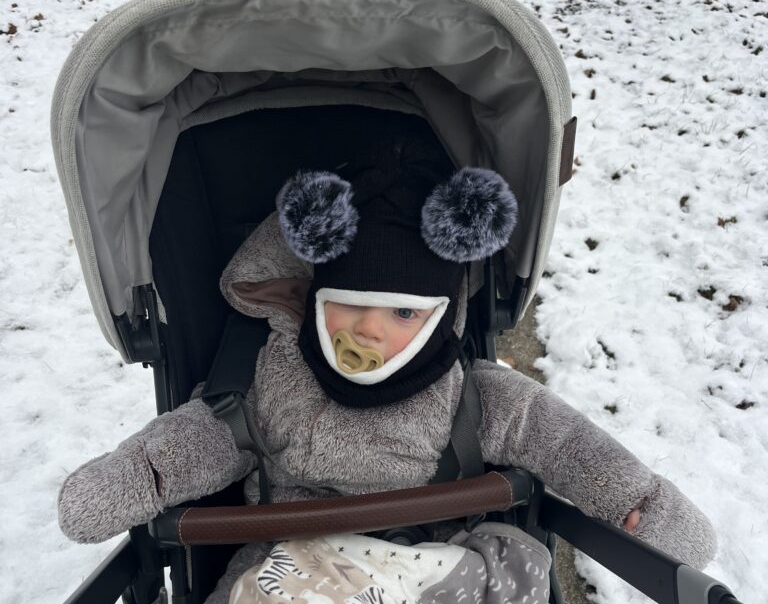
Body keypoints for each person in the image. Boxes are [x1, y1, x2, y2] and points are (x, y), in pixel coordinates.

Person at [58, 137, 714, 571]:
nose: (369, 332)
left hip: (440, 572)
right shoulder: (272, 378)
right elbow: (207, 435)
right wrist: (141, 476)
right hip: (297, 575)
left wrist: (638, 502)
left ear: (440, 316)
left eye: (402, 314)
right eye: (349, 307)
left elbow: (564, 443)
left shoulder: (475, 396)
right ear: (310, 303)